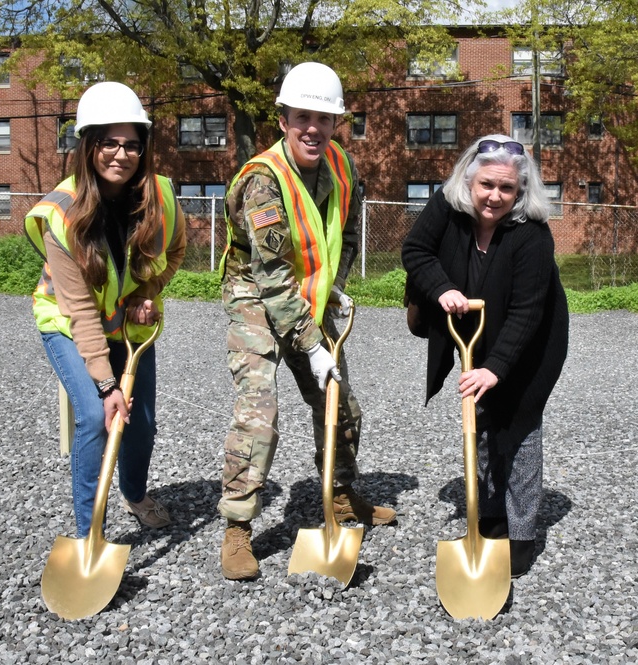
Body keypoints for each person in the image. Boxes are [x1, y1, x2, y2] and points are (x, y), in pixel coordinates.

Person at [217, 61, 396, 581]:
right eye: (302, 117)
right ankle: (237, 529)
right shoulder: (262, 181)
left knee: (341, 402)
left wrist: (336, 285)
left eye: (324, 117)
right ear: (283, 119)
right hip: (255, 294)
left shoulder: (341, 165)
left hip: (308, 296)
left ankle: (340, 498)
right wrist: (310, 344)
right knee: (260, 410)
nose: (313, 128)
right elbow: (271, 276)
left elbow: (348, 231)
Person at [402, 135, 569, 578]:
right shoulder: (447, 208)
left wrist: (497, 368)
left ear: (520, 192)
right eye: (487, 185)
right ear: (469, 181)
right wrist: (443, 288)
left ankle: (522, 533)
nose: (495, 196)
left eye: (507, 188)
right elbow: (414, 251)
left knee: (519, 429)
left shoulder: (532, 234)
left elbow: (528, 310)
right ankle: (491, 512)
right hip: (473, 333)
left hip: (531, 343)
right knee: (481, 422)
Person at [25, 81, 186, 538]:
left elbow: (173, 254)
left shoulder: (159, 195)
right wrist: (105, 383)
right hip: (69, 325)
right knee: (98, 416)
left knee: (142, 423)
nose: (121, 154)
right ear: (88, 145)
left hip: (129, 326)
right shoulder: (62, 212)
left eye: (132, 144)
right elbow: (77, 307)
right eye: (109, 142)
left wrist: (146, 292)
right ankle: (87, 533)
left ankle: (134, 494)